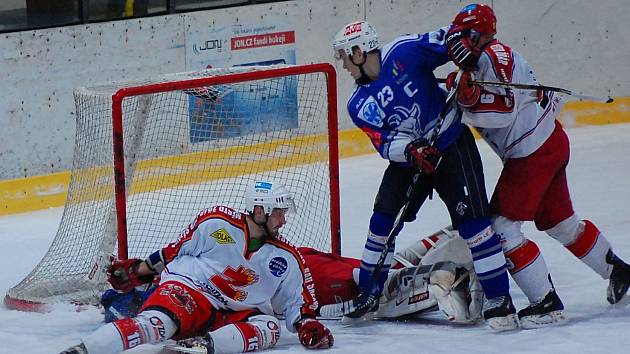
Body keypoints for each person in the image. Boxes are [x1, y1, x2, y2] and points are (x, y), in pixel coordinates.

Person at [443, 3, 630, 328]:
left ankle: (546, 303)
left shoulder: (495, 56)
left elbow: (504, 112)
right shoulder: (477, 64)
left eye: (463, 35)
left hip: (531, 151)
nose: (456, 42)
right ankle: (620, 272)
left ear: (479, 34)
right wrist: (463, 90)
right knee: (560, 223)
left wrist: (468, 101)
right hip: (546, 144)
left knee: (500, 229)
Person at [332, 21, 518, 330]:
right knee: (382, 222)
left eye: (345, 56)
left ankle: (500, 299)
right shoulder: (359, 104)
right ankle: (370, 291)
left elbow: (451, 37)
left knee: (475, 226)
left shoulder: (405, 52)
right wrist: (411, 151)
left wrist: (467, 48)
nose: (344, 65)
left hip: (452, 145)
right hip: (411, 161)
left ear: (359, 51)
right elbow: (385, 142)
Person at [60, 180, 334, 354]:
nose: (283, 221)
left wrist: (307, 324)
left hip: (230, 313)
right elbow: (174, 251)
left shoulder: (287, 258)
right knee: (155, 325)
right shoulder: (216, 224)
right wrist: (139, 271)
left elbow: (299, 305)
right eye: (278, 213)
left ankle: (201, 346)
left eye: (284, 214)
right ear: (259, 211)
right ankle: (82, 351)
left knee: (270, 328)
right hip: (191, 292)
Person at [101, 227, 484, 327]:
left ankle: (445, 275)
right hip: (291, 265)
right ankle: (447, 238)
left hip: (293, 276)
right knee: (363, 271)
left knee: (370, 285)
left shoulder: (180, 283)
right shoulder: (180, 268)